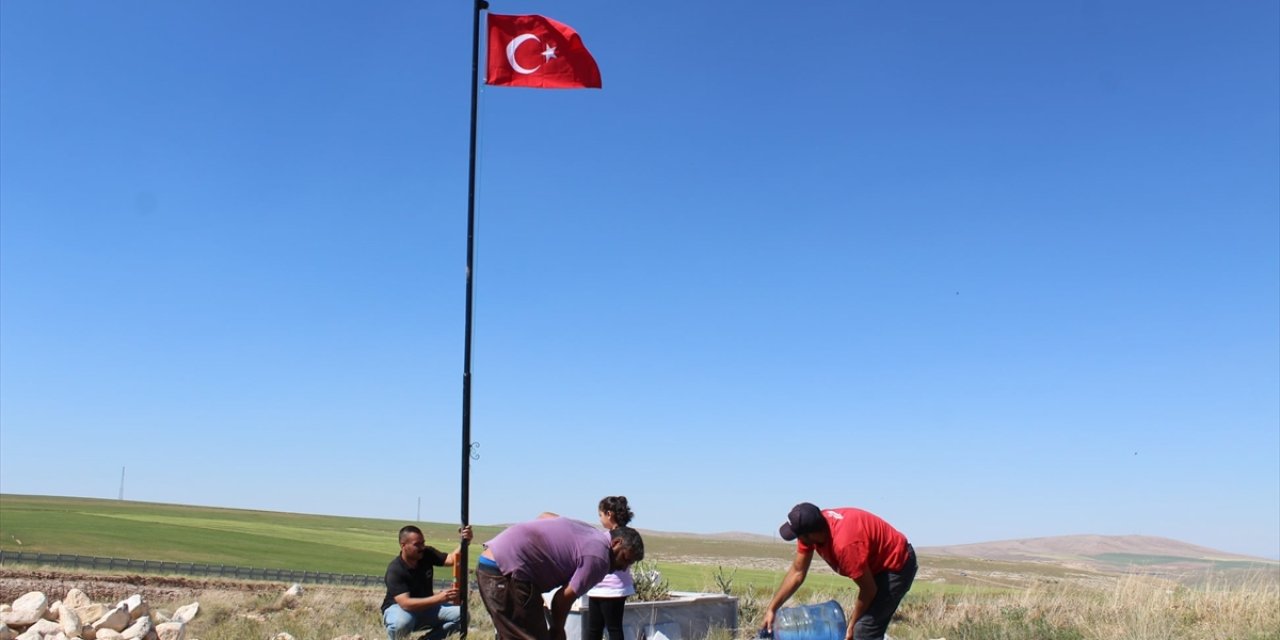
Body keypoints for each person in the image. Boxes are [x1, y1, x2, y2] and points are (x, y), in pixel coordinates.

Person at [476, 515, 645, 640]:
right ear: (617, 543)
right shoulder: (599, 558)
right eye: (625, 559)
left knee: (514, 634)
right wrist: (558, 630)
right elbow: (561, 600)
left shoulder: (591, 533)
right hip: (507, 572)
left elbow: (545, 516)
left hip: (497, 563)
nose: (623, 568)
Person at [762, 503, 917, 640]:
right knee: (858, 628)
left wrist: (851, 625)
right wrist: (772, 609)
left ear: (810, 534)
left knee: (863, 631)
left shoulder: (844, 545)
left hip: (897, 565)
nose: (798, 539)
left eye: (798, 535)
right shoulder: (814, 527)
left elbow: (869, 590)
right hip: (874, 566)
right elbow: (797, 572)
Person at [381, 524, 473, 640]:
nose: (422, 547)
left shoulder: (426, 554)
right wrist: (439, 598)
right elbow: (405, 603)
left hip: (427, 607)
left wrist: (465, 542)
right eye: (417, 545)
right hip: (400, 609)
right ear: (403, 546)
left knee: (462, 615)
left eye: (423, 543)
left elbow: (452, 559)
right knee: (402, 622)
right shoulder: (395, 569)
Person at [585, 496, 637, 640]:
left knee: (594, 631)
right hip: (616, 589)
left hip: (604, 588)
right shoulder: (630, 536)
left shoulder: (605, 537)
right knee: (614, 629)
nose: (600, 519)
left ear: (609, 514)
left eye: (600, 515)